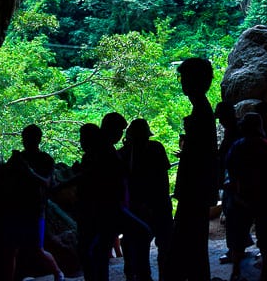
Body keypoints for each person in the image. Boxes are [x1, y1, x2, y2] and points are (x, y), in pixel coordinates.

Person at [164, 57, 219, 281]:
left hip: (194, 191)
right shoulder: (202, 110)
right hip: (198, 191)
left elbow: (202, 156)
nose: (182, 83)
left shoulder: (201, 114)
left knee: (189, 239)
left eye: (184, 78)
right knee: (193, 240)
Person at [63, 114, 131, 281]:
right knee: (97, 251)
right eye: (119, 130)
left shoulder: (100, 152)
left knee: (91, 250)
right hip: (103, 209)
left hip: (98, 209)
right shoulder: (106, 152)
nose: (120, 135)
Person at [224, 112, 267, 281]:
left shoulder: (237, 146)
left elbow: (230, 169)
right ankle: (266, 270)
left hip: (241, 199)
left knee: (238, 236)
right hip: (265, 200)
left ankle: (235, 270)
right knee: (265, 236)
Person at [2, 123, 65, 281]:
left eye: (28, 138)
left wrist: (27, 171)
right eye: (24, 138)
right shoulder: (19, 158)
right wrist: (11, 165)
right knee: (12, 249)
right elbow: (5, 177)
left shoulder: (45, 159)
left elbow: (46, 183)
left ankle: (58, 272)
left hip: (36, 208)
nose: (25, 141)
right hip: (16, 208)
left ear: (37, 139)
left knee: (37, 249)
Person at [118, 117, 173, 281]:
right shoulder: (156, 148)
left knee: (136, 245)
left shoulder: (123, 154)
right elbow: (163, 177)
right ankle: (163, 276)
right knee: (163, 245)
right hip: (158, 204)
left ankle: (139, 276)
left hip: (138, 207)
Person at [215, 100, 248, 266]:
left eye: (220, 117)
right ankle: (239, 247)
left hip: (234, 181)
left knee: (233, 214)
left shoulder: (235, 131)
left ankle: (235, 250)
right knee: (235, 214)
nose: (219, 120)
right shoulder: (234, 129)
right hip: (234, 180)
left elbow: (234, 158)